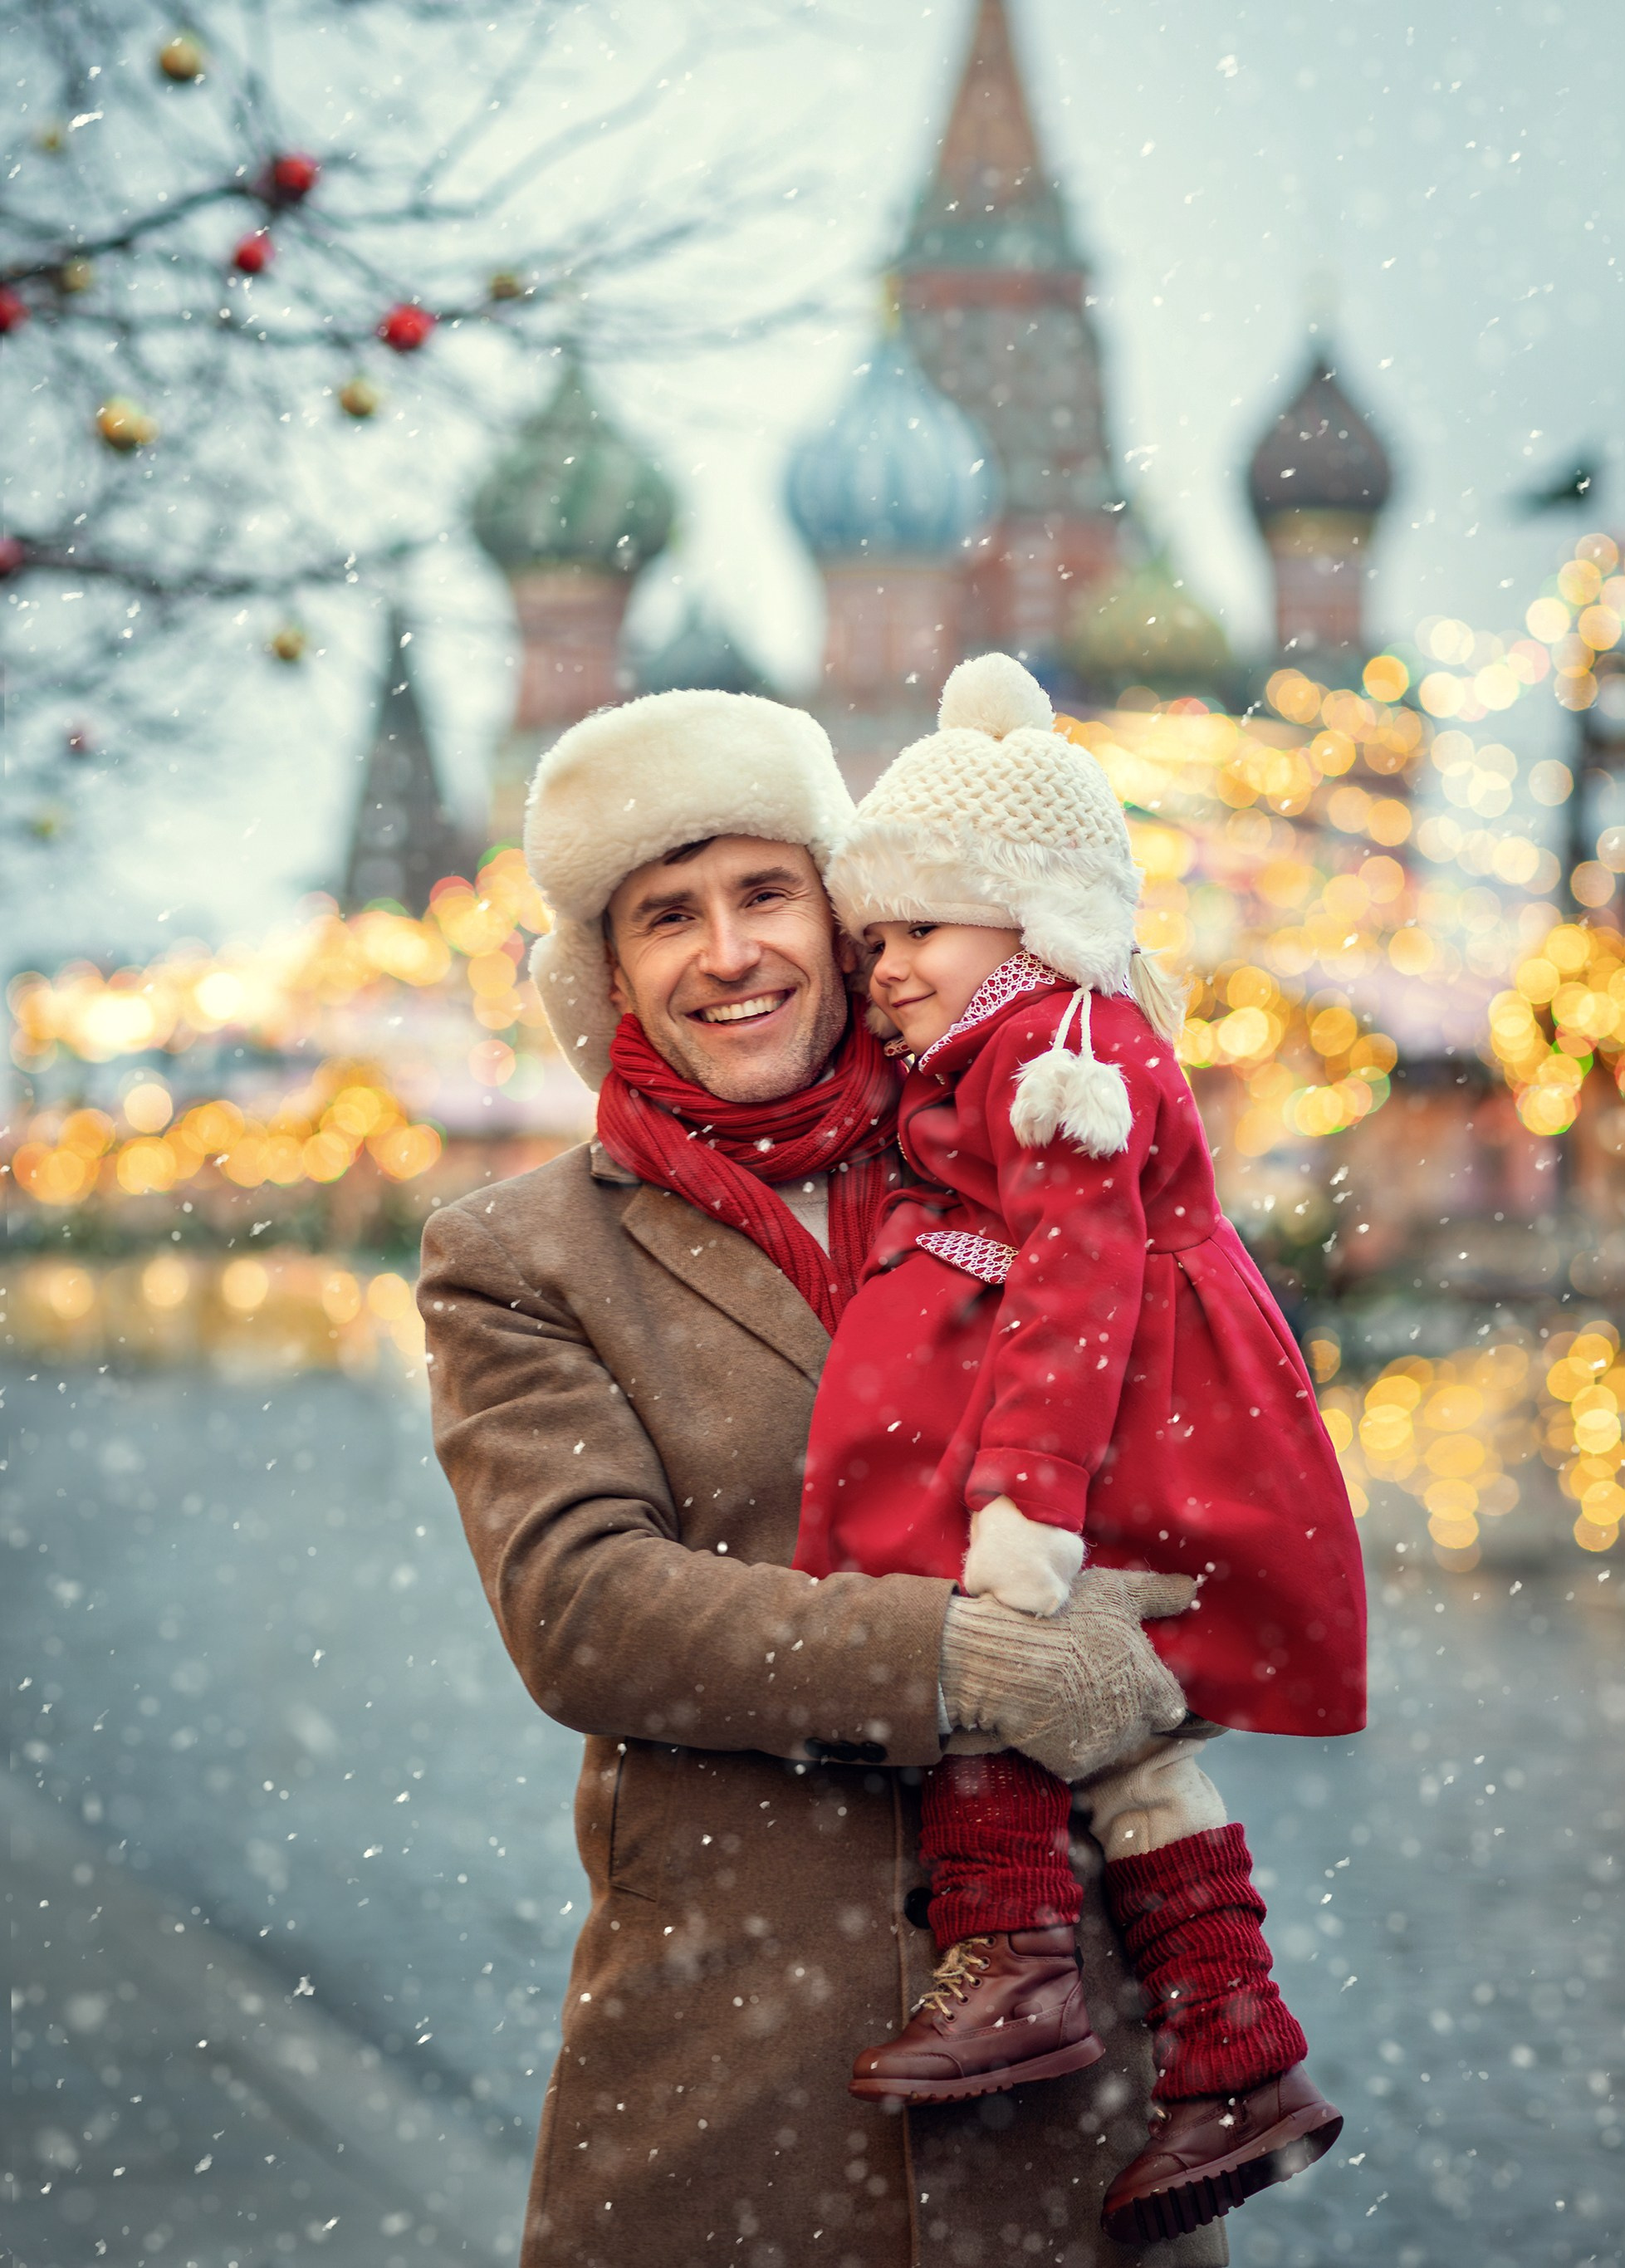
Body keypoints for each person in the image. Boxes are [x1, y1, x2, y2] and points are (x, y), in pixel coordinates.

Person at [417, 684, 1226, 2268]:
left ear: (845, 919)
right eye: (668, 915)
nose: (729, 953)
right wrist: (963, 1658)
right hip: (731, 2072)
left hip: (1071, 2085)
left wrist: (1161, 1636)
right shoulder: (523, 1257)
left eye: (767, 892)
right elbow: (583, 1611)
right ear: (607, 972)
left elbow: (1207, 1455)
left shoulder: (1029, 1148)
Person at [793, 654, 1369, 2250]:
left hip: (1116, 1448)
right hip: (1137, 1433)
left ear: (1023, 907)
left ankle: (1018, 1962)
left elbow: (1076, 1284)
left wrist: (1023, 1502)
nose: (883, 966)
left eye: (913, 929)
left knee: (1003, 1649)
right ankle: (1236, 2053)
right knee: (1128, 1744)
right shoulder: (1007, 1042)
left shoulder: (1059, 1055)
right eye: (876, 936)